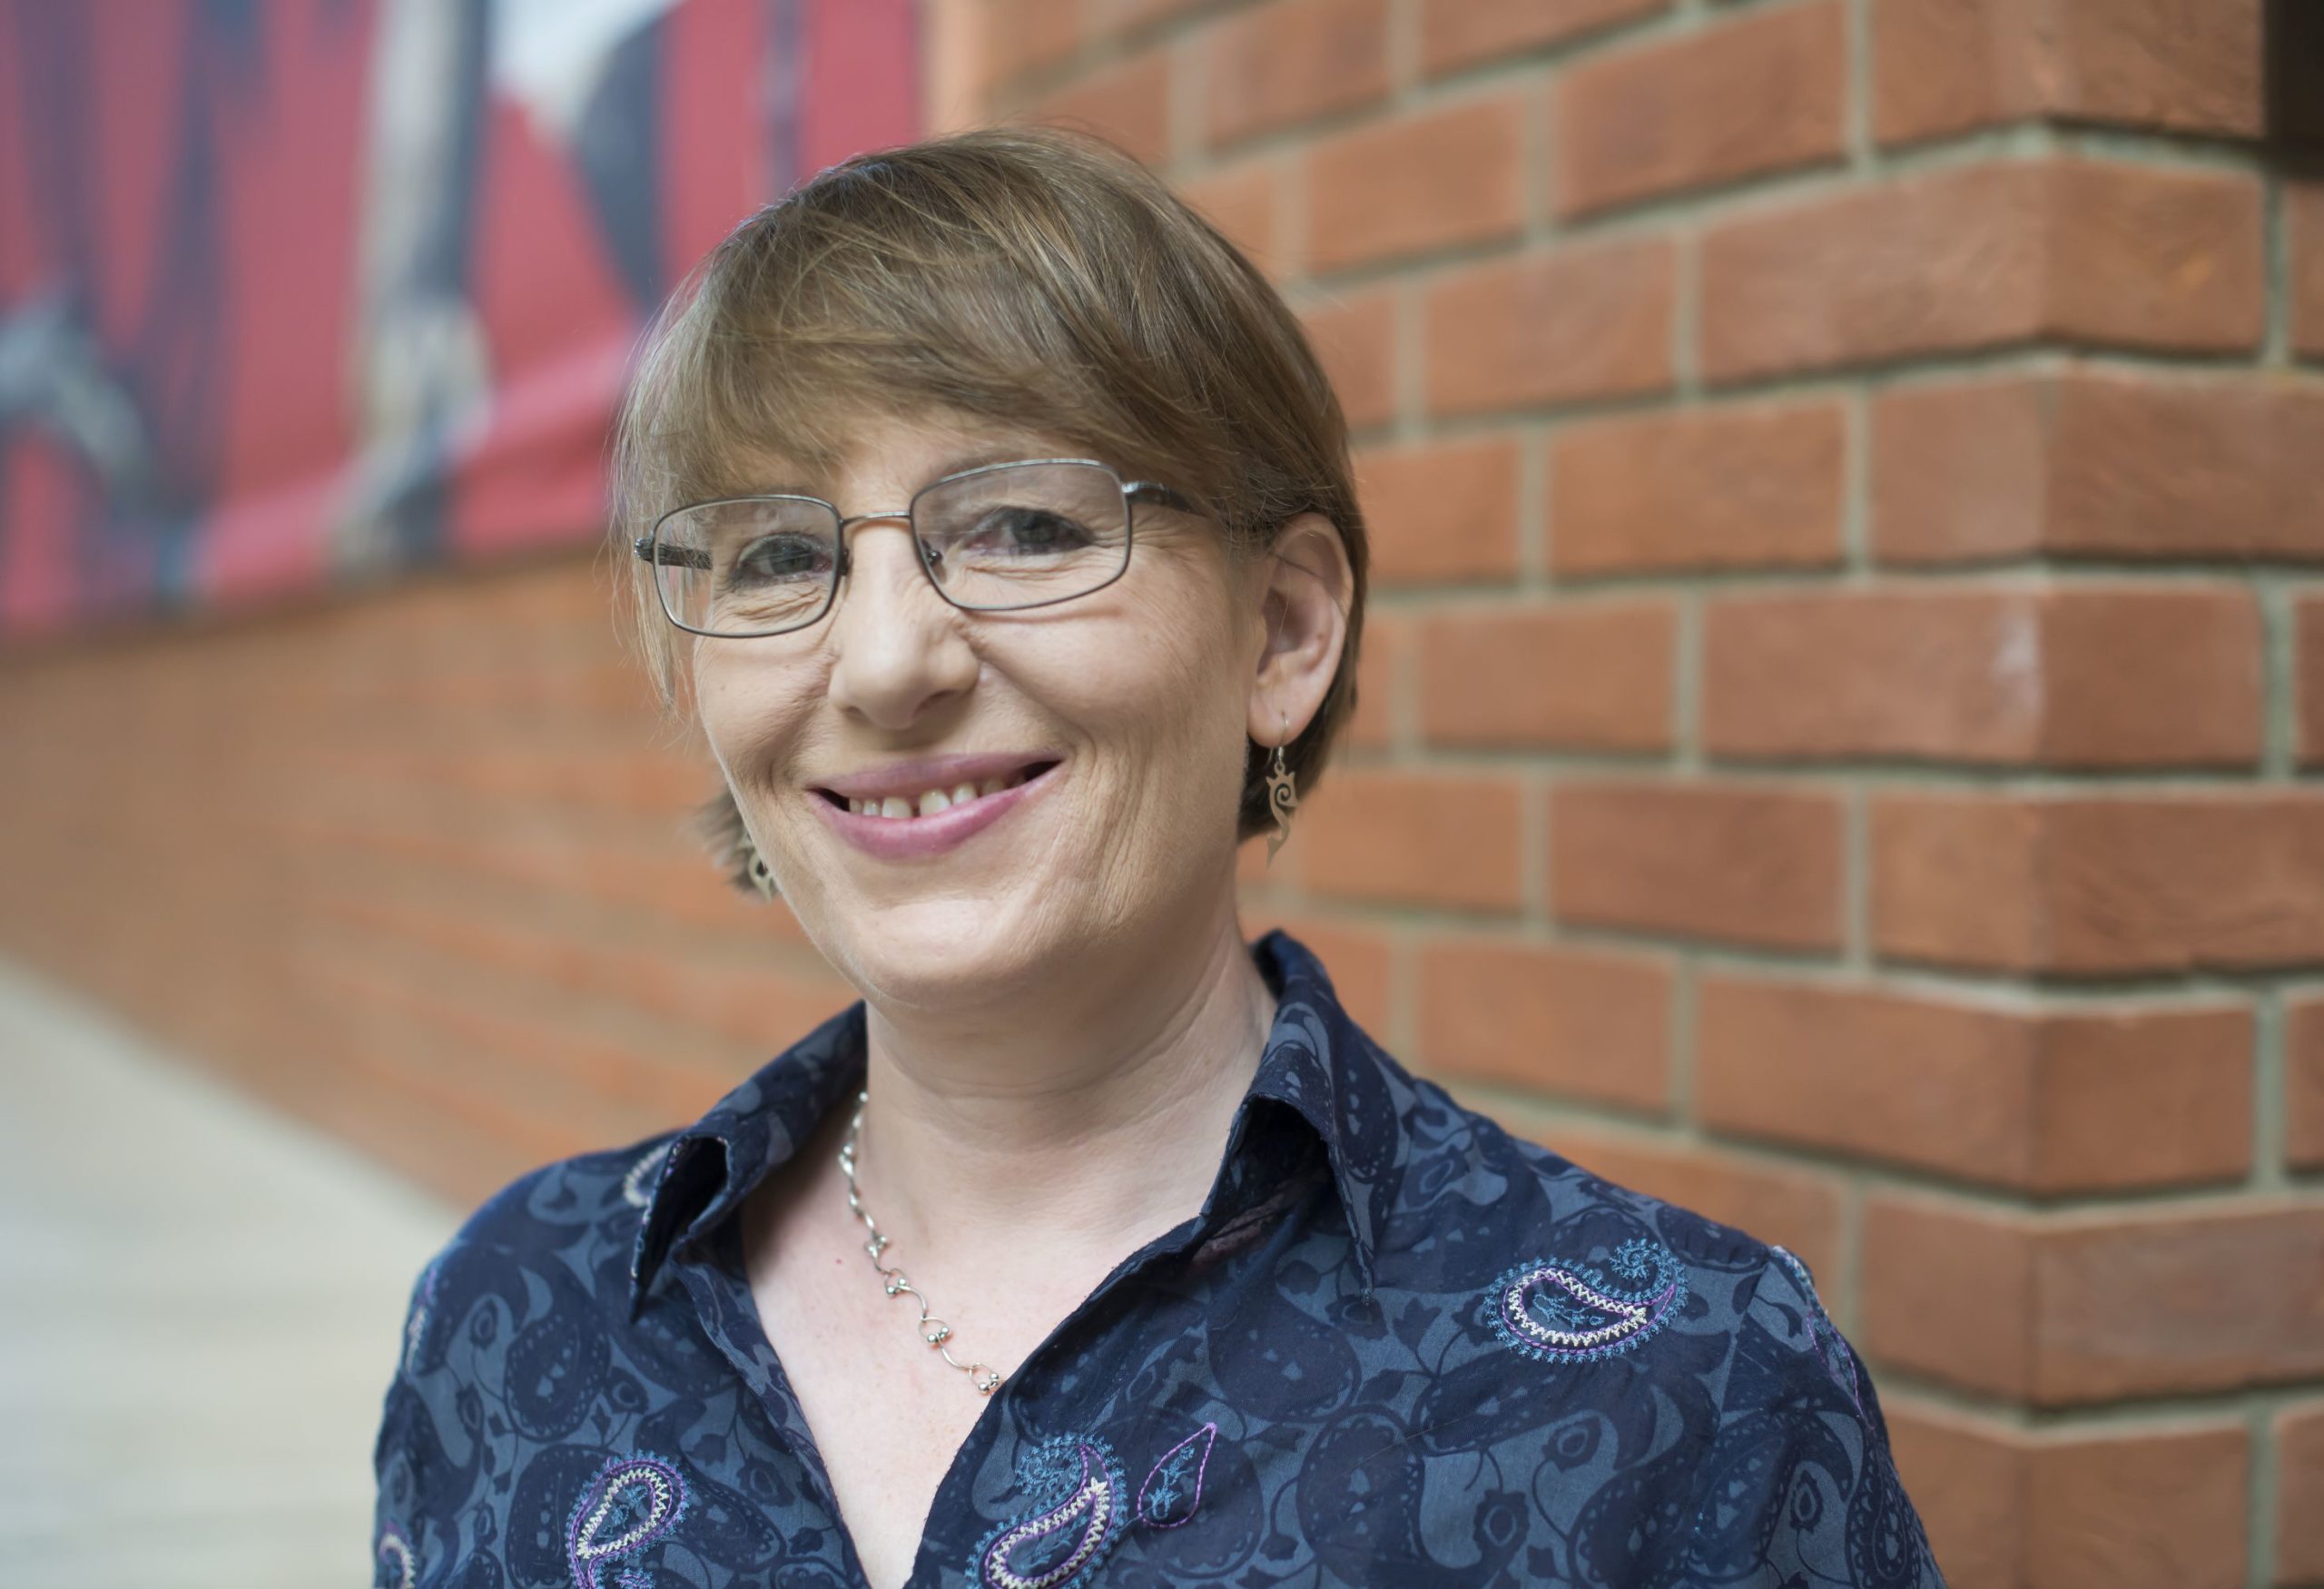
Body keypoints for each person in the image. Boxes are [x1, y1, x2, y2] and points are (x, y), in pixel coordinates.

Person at [369, 126, 1945, 1589]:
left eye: (1023, 527)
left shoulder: (1684, 1388)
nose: (888, 661)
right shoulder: (516, 1320)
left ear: (1283, 632)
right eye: (779, 554)